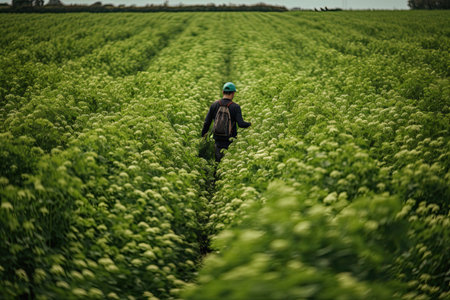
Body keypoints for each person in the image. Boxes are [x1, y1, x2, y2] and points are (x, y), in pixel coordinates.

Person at [201, 82, 251, 162]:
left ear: (223, 92)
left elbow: (207, 122)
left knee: (218, 161)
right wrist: (250, 124)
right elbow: (241, 124)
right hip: (230, 140)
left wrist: (203, 135)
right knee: (229, 162)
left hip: (218, 139)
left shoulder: (214, 105)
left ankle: (216, 173)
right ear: (233, 93)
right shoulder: (235, 107)